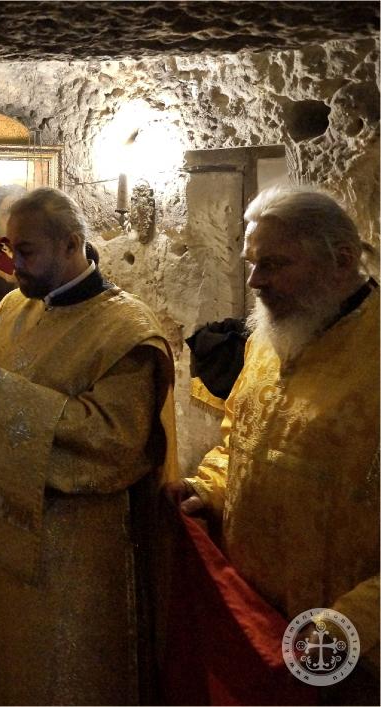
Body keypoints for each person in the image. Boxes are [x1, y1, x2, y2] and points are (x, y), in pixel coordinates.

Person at [0, 187, 176, 705]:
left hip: (70, 550)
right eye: (10, 249)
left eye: (27, 251)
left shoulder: (126, 332)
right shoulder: (16, 307)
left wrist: (2, 386)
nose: (14, 264)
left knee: (56, 674)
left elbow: (116, 440)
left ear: (71, 244)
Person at [168, 185, 379, 696]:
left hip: (348, 644)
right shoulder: (270, 337)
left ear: (341, 260)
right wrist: (206, 488)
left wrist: (350, 624)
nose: (255, 282)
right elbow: (240, 441)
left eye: (274, 265)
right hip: (255, 624)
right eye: (251, 263)